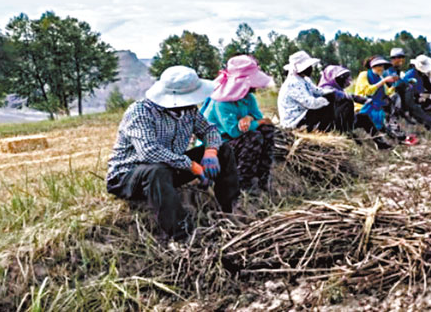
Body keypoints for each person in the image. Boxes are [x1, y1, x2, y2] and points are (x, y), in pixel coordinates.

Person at [106, 66, 239, 241]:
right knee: (156, 170)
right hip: (130, 176)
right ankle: (181, 235)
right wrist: (191, 166)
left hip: (170, 168)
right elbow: (149, 152)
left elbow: (209, 130)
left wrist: (211, 151)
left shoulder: (188, 111)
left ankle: (229, 210)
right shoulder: (140, 112)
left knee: (224, 149)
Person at [200, 55, 276, 193]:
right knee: (254, 137)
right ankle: (241, 182)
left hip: (234, 140)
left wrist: (248, 117)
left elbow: (258, 116)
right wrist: (256, 121)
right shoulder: (221, 102)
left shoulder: (248, 98)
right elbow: (234, 131)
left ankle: (262, 177)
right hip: (217, 145)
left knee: (267, 129)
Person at [318, 64, 391, 148]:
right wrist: (363, 100)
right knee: (347, 102)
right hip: (331, 124)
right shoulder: (325, 89)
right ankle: (348, 133)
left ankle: (379, 142)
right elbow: (345, 96)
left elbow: (347, 95)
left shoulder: (336, 89)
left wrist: (365, 101)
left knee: (363, 117)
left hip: (341, 121)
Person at [354, 56, 416, 145]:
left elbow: (387, 92)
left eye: (383, 67)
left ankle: (398, 135)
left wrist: (395, 85)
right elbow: (368, 91)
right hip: (365, 105)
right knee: (385, 118)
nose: (382, 69)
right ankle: (398, 136)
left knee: (394, 99)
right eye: (380, 66)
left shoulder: (379, 77)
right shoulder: (364, 75)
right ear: (373, 66)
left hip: (378, 104)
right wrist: (384, 81)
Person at [277, 50, 338, 132]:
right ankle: (325, 129)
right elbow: (310, 103)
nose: (311, 69)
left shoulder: (304, 79)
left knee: (330, 97)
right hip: (294, 121)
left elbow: (317, 91)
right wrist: (326, 101)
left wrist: (334, 92)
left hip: (302, 115)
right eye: (308, 67)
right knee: (327, 104)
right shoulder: (293, 83)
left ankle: (330, 128)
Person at [402, 54, 431, 130]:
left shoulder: (423, 76)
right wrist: (419, 97)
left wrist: (426, 95)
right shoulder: (410, 75)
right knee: (417, 109)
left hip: (422, 98)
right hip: (411, 101)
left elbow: (429, 88)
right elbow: (407, 94)